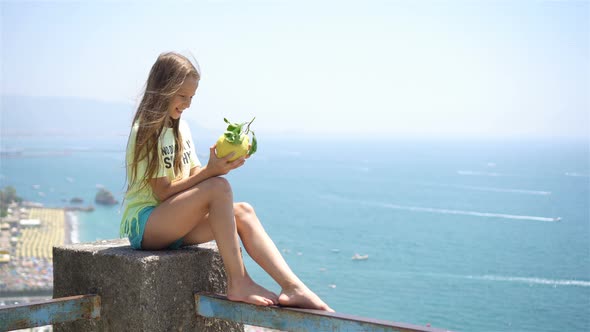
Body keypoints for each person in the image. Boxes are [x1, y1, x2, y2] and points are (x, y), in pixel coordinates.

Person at [120, 52, 333, 311]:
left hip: (173, 223)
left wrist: (219, 165)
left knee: (243, 212)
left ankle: (292, 287)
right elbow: (163, 192)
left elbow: (194, 174)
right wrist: (211, 173)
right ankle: (239, 281)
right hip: (147, 226)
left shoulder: (180, 127)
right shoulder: (147, 130)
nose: (187, 104)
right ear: (163, 90)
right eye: (182, 96)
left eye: (191, 98)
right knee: (218, 187)